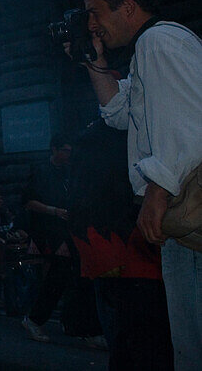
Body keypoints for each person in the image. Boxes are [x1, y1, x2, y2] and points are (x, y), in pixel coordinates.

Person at [77, 0, 202, 367]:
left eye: (96, 13)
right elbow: (117, 111)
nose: (91, 24)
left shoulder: (158, 42)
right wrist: (93, 60)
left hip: (189, 209)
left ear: (127, 7)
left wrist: (157, 189)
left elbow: (186, 124)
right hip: (184, 216)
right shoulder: (153, 47)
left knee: (193, 338)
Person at [70, 118, 172, 370]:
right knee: (140, 335)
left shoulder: (95, 139)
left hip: (123, 246)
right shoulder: (122, 136)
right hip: (128, 246)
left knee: (128, 334)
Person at [21, 133, 81, 342]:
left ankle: (77, 325)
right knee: (59, 275)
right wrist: (54, 210)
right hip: (49, 232)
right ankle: (35, 319)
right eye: (65, 150)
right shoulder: (39, 170)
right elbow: (28, 202)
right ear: (54, 150)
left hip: (69, 230)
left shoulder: (69, 172)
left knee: (78, 277)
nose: (68, 155)